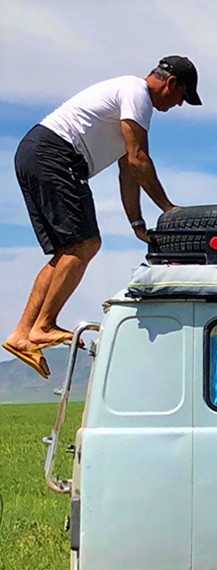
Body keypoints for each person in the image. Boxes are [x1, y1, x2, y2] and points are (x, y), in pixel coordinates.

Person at [3, 56, 202, 378]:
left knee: (66, 252)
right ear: (172, 83)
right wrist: (169, 208)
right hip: (56, 154)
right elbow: (139, 160)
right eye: (182, 96)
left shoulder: (130, 104)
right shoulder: (136, 93)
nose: (179, 104)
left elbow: (128, 172)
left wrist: (137, 223)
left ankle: (21, 335)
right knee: (85, 244)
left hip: (35, 152)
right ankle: (43, 326)